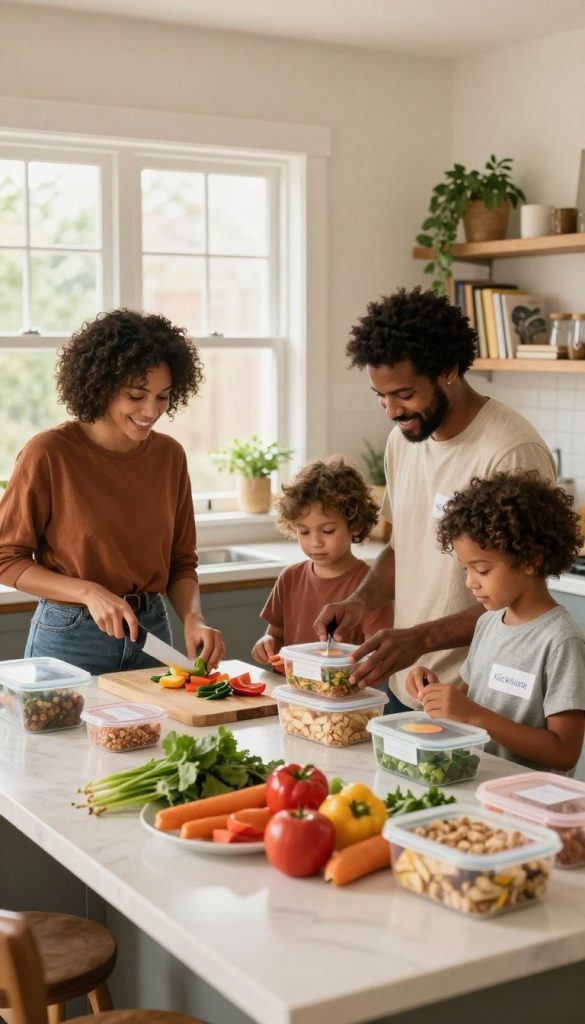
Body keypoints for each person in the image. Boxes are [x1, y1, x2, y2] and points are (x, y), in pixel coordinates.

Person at [313, 286, 556, 711]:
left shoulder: (510, 452)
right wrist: (359, 602)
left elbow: (523, 598)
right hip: (404, 684)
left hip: (474, 699)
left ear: (448, 369)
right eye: (381, 396)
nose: (391, 410)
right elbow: (403, 547)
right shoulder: (402, 440)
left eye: (404, 394)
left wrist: (422, 638)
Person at [0, 309, 225, 676]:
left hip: (152, 632)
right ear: (102, 385)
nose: (151, 410)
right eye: (136, 395)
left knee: (157, 734)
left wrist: (194, 618)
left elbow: (181, 563)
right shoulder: (50, 453)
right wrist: (88, 592)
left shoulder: (170, 456)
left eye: (163, 397)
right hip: (71, 635)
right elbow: (6, 558)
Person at [406, 472, 585, 773]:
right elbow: (468, 701)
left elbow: (564, 752)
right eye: (466, 569)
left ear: (531, 561)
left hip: (530, 802)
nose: (469, 582)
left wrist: (475, 715)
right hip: (480, 782)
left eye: (482, 570)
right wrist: (436, 693)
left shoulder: (560, 641)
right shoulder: (488, 624)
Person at [251, 456, 393, 664]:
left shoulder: (370, 586)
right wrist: (266, 643)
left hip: (342, 694)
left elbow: (377, 651)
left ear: (355, 525)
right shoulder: (289, 578)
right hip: (292, 690)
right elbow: (276, 635)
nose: (315, 542)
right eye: (304, 531)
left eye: (327, 530)